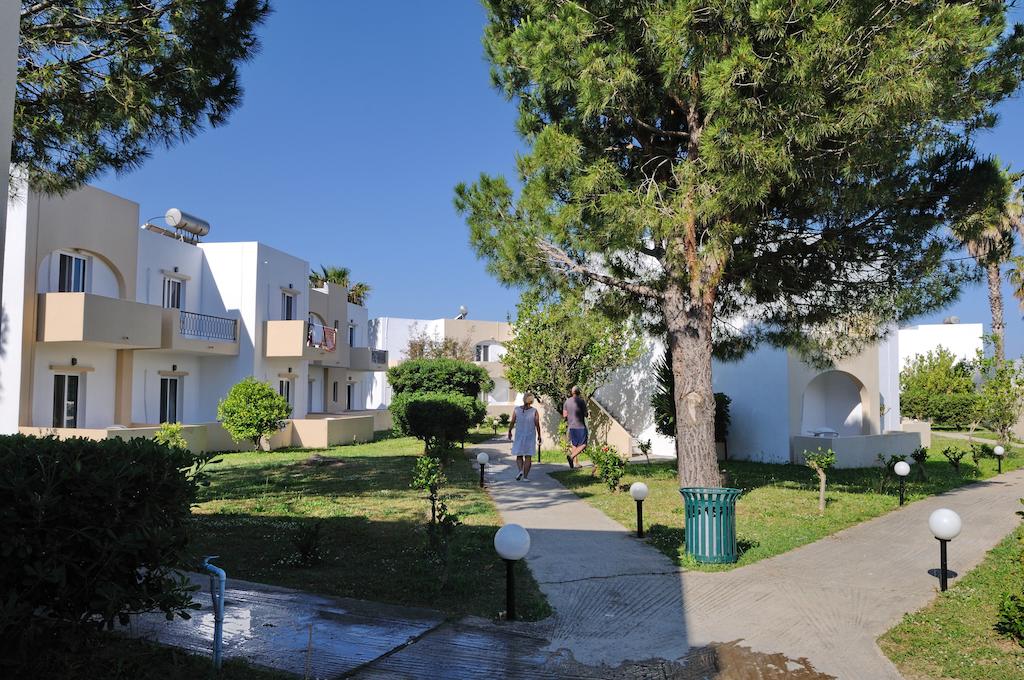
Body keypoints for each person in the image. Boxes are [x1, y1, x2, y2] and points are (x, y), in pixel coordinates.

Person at [508, 392, 541, 481]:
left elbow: (512, 421)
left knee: (519, 455)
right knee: (528, 456)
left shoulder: (516, 410)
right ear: (532, 401)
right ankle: (525, 477)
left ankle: (520, 471)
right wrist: (539, 435)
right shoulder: (534, 411)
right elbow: (537, 424)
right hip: (530, 436)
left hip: (519, 435)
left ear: (523, 399)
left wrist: (509, 431)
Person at [563, 386, 588, 468]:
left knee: (575, 445)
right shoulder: (581, 401)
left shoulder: (567, 402)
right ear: (579, 392)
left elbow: (564, 415)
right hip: (580, 426)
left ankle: (576, 463)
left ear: (572, 392)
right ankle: (571, 457)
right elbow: (586, 414)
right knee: (583, 444)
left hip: (571, 427)